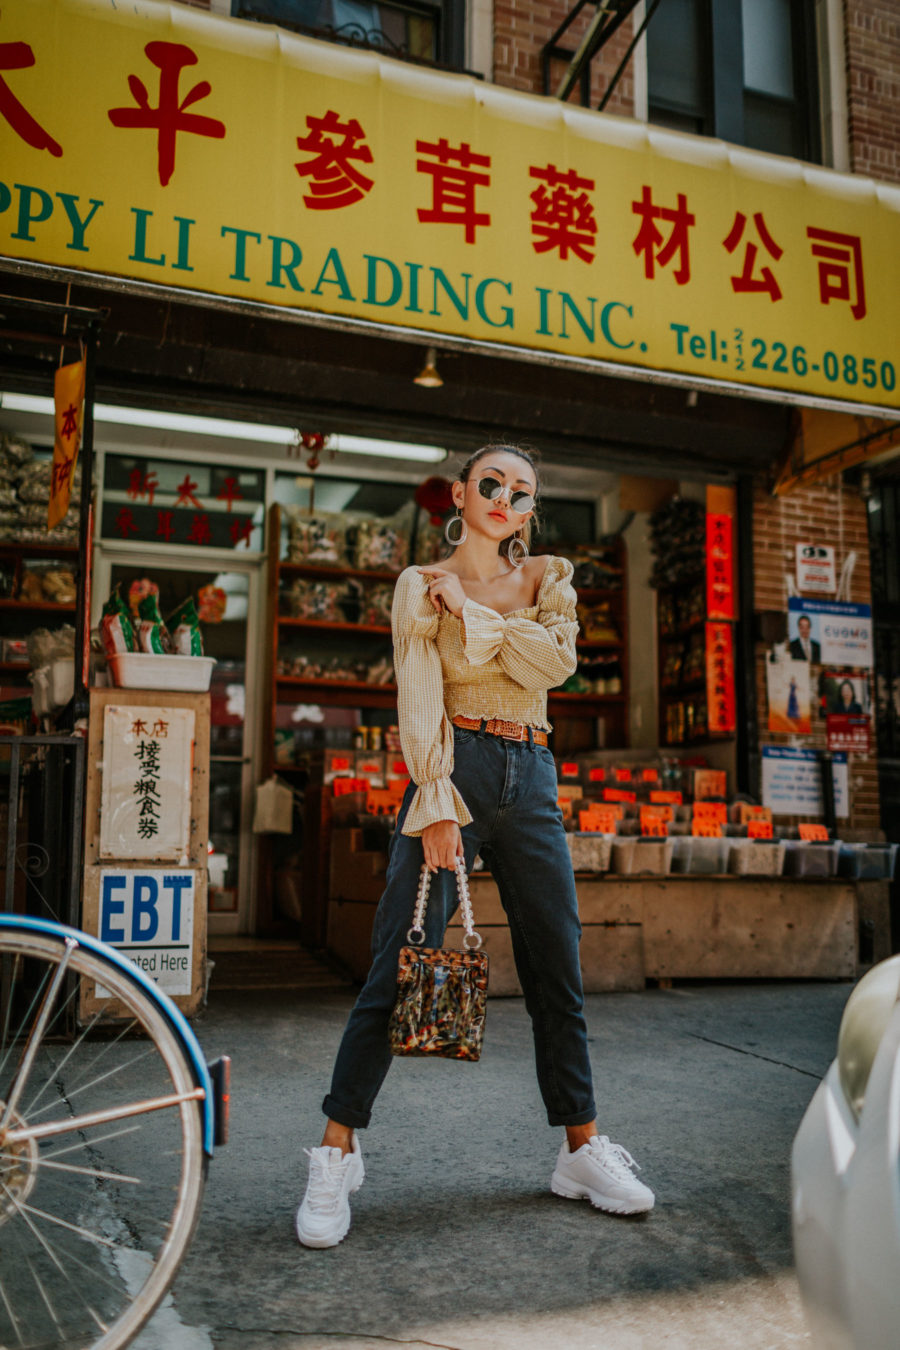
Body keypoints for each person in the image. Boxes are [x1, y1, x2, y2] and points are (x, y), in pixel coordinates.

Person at [296, 443, 654, 1249]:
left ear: (531, 511)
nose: (503, 497)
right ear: (460, 492)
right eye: (489, 483)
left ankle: (582, 1150)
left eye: (520, 491)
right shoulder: (419, 586)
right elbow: (419, 689)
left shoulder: (547, 580)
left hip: (530, 774)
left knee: (556, 964)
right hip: (454, 766)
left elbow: (553, 667)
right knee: (397, 962)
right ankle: (335, 1151)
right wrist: (435, 798)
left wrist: (473, 614)